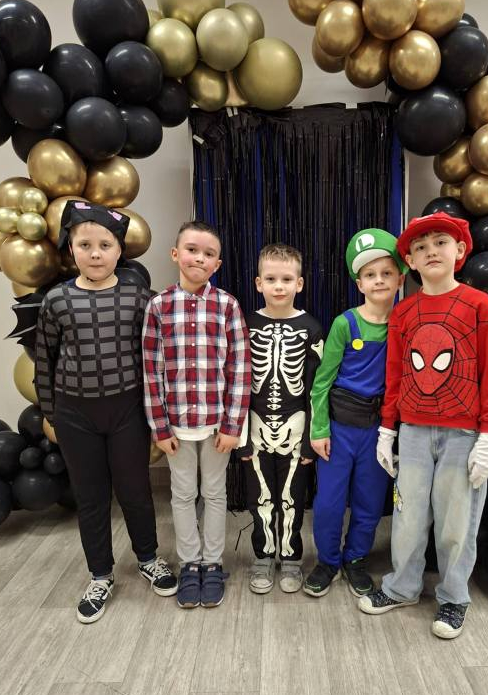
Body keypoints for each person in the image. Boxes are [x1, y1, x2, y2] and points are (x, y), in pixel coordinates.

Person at [359, 214, 488, 640]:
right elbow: (395, 374)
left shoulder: (479, 306)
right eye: (420, 247)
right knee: (407, 516)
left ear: (459, 250)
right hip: (413, 432)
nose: (431, 252)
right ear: (409, 260)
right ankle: (402, 587)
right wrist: (388, 429)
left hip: (464, 435)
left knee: (456, 521)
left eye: (440, 242)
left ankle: (454, 596)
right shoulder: (404, 313)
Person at [35, 200, 177, 625]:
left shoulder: (139, 298)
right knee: (91, 495)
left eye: (105, 245)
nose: (95, 254)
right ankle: (100, 574)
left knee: (135, 489)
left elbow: (157, 355)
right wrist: (52, 412)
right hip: (75, 414)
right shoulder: (56, 300)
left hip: (127, 410)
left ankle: (148, 557)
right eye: (85, 245)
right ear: (71, 249)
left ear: (119, 251)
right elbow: (45, 360)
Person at [142, 220, 251, 609]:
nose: (199, 258)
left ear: (217, 264)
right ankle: (190, 563)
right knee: (183, 493)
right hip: (176, 425)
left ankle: (212, 562)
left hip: (217, 423)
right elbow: (151, 371)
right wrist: (159, 427)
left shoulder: (227, 306)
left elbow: (239, 368)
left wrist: (233, 424)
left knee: (215, 493)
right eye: (191, 250)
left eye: (208, 254)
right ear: (176, 254)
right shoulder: (158, 307)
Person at [304, 229, 407, 598]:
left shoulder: (404, 323)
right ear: (359, 282)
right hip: (340, 429)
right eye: (370, 274)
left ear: (400, 278)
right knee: (329, 502)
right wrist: (319, 429)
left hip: (379, 432)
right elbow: (322, 382)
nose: (379, 280)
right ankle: (328, 561)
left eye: (386, 272)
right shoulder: (344, 324)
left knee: (369, 501)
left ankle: (356, 558)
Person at [238, 244, 323, 594]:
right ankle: (262, 556)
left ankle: (291, 558)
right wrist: (241, 438)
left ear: (299, 284)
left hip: (295, 427)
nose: (279, 286)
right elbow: (238, 384)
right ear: (259, 283)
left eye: (286, 279)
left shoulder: (311, 328)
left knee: (292, 498)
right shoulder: (246, 325)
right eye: (271, 279)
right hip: (255, 427)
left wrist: (310, 441)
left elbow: (317, 388)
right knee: (260, 498)